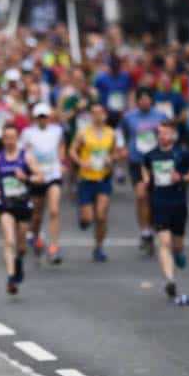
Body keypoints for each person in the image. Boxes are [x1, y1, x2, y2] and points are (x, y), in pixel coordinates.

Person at [142, 121, 189, 301]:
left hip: (178, 203)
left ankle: (179, 252)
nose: (162, 136)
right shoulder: (151, 155)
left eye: (166, 133)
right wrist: (146, 180)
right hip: (159, 203)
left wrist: (181, 178)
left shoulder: (182, 154)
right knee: (164, 242)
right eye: (160, 133)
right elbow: (145, 170)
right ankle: (170, 280)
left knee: (177, 245)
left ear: (173, 135)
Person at [0, 124, 40, 294]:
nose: (10, 141)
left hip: (23, 205)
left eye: (13, 137)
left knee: (21, 247)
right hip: (6, 205)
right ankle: (11, 277)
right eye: (7, 138)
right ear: (2, 139)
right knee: (9, 241)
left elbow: (40, 177)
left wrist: (26, 178)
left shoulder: (26, 157)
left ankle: (19, 262)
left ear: (17, 139)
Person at [69, 103, 122, 262]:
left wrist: (111, 159)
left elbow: (116, 153)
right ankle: (84, 219)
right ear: (90, 116)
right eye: (94, 113)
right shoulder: (83, 133)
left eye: (100, 112)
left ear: (105, 115)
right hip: (86, 179)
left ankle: (99, 247)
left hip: (103, 178)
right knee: (88, 218)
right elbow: (72, 150)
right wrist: (81, 162)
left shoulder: (111, 133)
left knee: (101, 216)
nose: (97, 116)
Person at [119, 87, 169, 256]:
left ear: (151, 100)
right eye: (141, 99)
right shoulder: (129, 117)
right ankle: (144, 231)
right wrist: (124, 148)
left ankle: (153, 227)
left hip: (156, 161)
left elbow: (169, 134)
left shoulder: (160, 116)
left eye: (147, 99)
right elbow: (122, 134)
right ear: (137, 101)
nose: (144, 102)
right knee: (141, 196)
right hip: (137, 161)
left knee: (155, 198)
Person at [22, 103, 65, 264]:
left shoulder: (57, 131)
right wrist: (30, 170)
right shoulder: (28, 133)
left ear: (49, 117)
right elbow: (24, 152)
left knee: (54, 210)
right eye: (39, 117)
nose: (42, 119)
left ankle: (54, 246)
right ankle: (35, 236)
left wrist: (61, 162)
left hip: (53, 174)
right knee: (37, 215)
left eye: (45, 116)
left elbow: (61, 146)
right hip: (37, 176)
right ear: (35, 118)